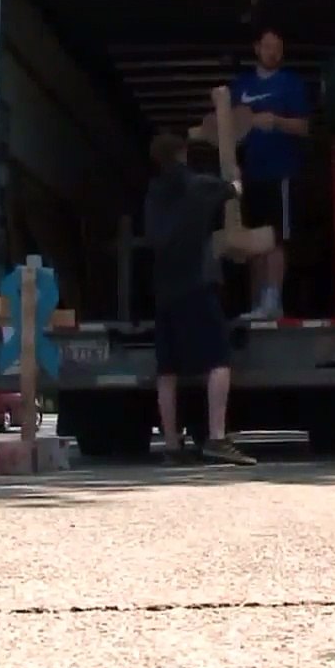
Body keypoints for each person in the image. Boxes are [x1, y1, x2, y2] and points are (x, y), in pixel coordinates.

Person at [144, 132, 256, 467]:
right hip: (197, 283)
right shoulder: (199, 186)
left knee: (167, 369)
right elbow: (235, 190)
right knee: (218, 360)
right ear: (182, 153)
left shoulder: (153, 192)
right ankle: (217, 438)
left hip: (164, 289)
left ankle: (172, 445)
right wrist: (235, 174)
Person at [231, 25, 310, 320]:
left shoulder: (290, 84)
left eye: (277, 47)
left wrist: (276, 121)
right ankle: (256, 305)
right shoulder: (241, 86)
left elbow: (304, 127)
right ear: (256, 48)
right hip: (252, 174)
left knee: (276, 238)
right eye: (267, 46)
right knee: (252, 240)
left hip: (282, 173)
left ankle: (273, 301)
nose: (273, 52)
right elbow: (229, 129)